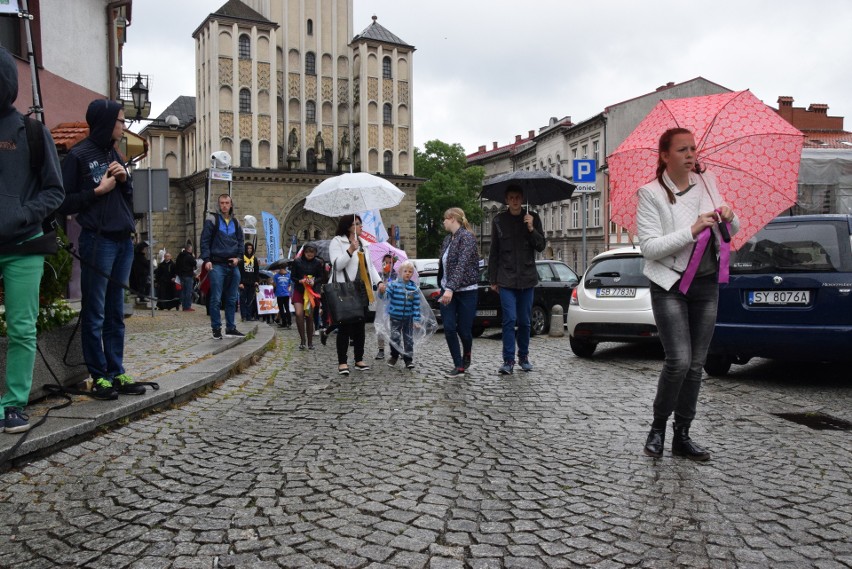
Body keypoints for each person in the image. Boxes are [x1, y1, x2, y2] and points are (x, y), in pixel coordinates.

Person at [637, 127, 739, 462]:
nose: (691, 154)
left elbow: (729, 232)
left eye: (693, 148)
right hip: (669, 284)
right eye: (682, 149)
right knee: (678, 361)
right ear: (665, 156)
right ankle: (657, 427)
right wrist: (693, 228)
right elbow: (650, 248)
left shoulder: (708, 185)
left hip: (706, 284)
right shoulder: (650, 194)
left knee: (697, 364)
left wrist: (729, 216)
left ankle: (683, 434)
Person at [59, 98, 145, 399]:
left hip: (123, 241)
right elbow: (63, 201)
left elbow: (127, 200)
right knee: (95, 312)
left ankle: (116, 370)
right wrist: (98, 191)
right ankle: (99, 377)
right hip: (98, 241)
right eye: (121, 120)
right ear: (107, 123)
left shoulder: (115, 154)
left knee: (115, 312)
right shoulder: (78, 156)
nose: (123, 126)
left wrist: (124, 181)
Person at [0, 47, 65, 432]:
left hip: (24, 246)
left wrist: (21, 214)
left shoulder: (33, 132)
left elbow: (54, 191)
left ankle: (13, 404)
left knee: (22, 329)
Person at [488, 186, 545, 375]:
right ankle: (508, 360)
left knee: (525, 321)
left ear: (522, 199)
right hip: (506, 278)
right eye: (511, 198)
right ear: (506, 199)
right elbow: (494, 251)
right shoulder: (498, 220)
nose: (514, 201)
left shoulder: (533, 217)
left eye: (518, 197)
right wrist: (493, 278)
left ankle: (524, 357)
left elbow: (540, 246)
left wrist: (530, 228)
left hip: (527, 278)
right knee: (509, 319)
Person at [328, 214, 384, 376]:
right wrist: (350, 250)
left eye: (360, 223)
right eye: (357, 224)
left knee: (360, 327)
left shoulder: (364, 244)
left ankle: (359, 359)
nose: (361, 226)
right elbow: (337, 265)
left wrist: (379, 282)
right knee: (345, 326)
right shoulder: (337, 242)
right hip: (345, 289)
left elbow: (370, 267)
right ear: (348, 226)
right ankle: (342, 362)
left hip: (362, 289)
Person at [437, 208, 480, 377]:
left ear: (452, 218)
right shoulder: (448, 239)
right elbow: (444, 266)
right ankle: (458, 364)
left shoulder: (467, 237)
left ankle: (467, 352)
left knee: (464, 330)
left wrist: (450, 288)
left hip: (466, 291)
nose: (443, 223)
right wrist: (444, 287)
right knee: (448, 327)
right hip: (447, 290)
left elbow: (462, 265)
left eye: (444, 219)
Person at [200, 194, 245, 340]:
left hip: (233, 265)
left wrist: (238, 258)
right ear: (218, 204)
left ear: (231, 204)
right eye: (222, 203)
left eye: (227, 203)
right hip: (217, 264)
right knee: (216, 298)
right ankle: (216, 328)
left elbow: (241, 242)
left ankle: (231, 327)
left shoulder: (236, 222)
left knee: (232, 299)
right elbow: (204, 241)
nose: (224, 205)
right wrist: (206, 259)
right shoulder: (212, 220)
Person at [382, 260, 420, 369]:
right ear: (400, 272)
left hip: (408, 318)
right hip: (395, 317)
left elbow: (416, 305)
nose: (408, 273)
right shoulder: (393, 285)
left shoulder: (414, 288)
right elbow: (386, 298)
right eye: (405, 271)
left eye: (410, 271)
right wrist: (382, 291)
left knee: (408, 339)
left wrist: (416, 319)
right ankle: (394, 356)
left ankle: (408, 359)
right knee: (395, 337)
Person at [289, 242, 325, 349]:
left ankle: (310, 342)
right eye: (308, 252)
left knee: (309, 316)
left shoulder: (318, 263)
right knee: (299, 314)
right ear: (304, 252)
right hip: (299, 291)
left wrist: (314, 281)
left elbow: (321, 277)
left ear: (315, 253)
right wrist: (300, 281)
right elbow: (293, 277)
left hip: (310, 292)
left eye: (312, 252)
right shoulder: (297, 261)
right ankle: (302, 341)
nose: (310, 254)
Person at [374, 253, 395, 360]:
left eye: (390, 263)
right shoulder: (378, 275)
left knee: (394, 328)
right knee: (381, 327)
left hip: (394, 306)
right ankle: (381, 350)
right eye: (385, 262)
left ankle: (396, 349)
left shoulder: (396, 275)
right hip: (382, 306)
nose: (387, 264)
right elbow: (376, 289)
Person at [238, 242, 259, 321]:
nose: (249, 250)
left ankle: (249, 316)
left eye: (251, 248)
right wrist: (240, 282)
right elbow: (239, 272)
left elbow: (256, 271)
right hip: (243, 283)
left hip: (252, 283)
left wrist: (256, 281)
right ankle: (243, 315)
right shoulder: (242, 259)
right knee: (243, 300)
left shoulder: (254, 259)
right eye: (248, 248)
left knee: (250, 300)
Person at [175, 244, 197, 311]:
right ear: (190, 249)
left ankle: (184, 306)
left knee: (183, 291)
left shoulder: (180, 256)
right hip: (188, 275)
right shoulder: (189, 256)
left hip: (181, 275)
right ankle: (187, 306)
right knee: (188, 291)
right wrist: (193, 257)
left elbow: (177, 265)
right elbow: (194, 263)